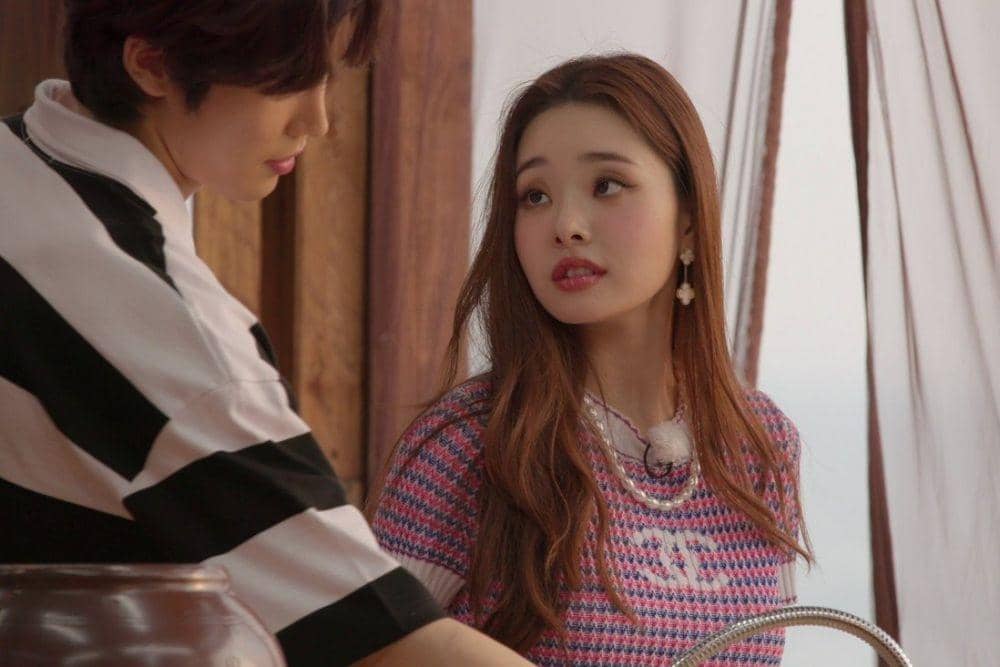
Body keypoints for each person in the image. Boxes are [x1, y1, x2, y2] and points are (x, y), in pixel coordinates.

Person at [0, 1, 530, 665]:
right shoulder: (160, 327)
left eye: (325, 78)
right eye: (287, 80)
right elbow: (385, 639)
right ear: (152, 64)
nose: (318, 121)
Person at [371, 53, 813, 666]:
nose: (566, 225)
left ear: (688, 217)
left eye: (606, 185)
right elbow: (354, 650)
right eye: (534, 196)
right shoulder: (469, 444)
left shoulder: (760, 447)